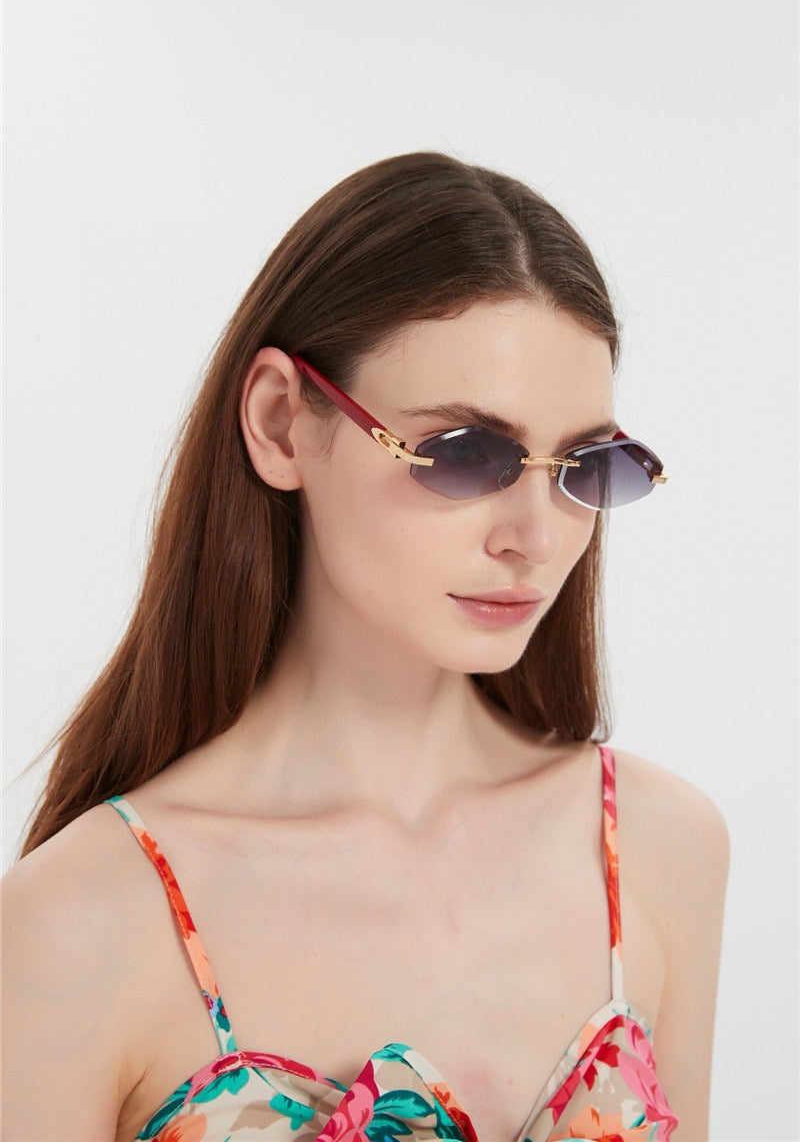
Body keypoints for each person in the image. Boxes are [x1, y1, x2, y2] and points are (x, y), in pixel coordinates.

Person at [1, 153, 728, 1142]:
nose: (534, 537)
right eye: (466, 453)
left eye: (581, 466)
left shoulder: (658, 848)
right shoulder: (81, 923)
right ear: (278, 424)